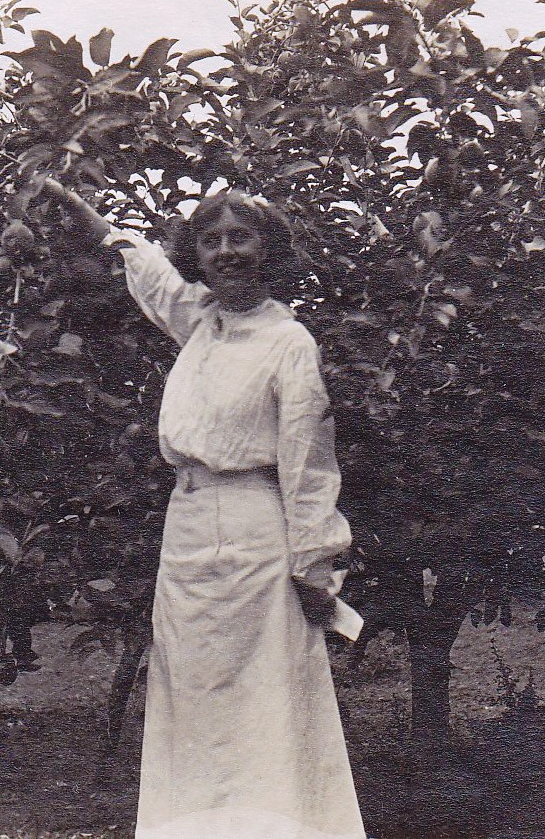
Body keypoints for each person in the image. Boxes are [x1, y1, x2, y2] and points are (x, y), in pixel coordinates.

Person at [41, 178, 366, 839]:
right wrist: (96, 226)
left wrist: (314, 566)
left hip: (254, 534)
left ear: (267, 247)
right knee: (192, 698)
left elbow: (308, 462)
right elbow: (156, 283)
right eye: (212, 241)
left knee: (262, 702)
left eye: (240, 237)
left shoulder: (288, 343)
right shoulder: (203, 322)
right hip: (186, 535)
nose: (226, 252)